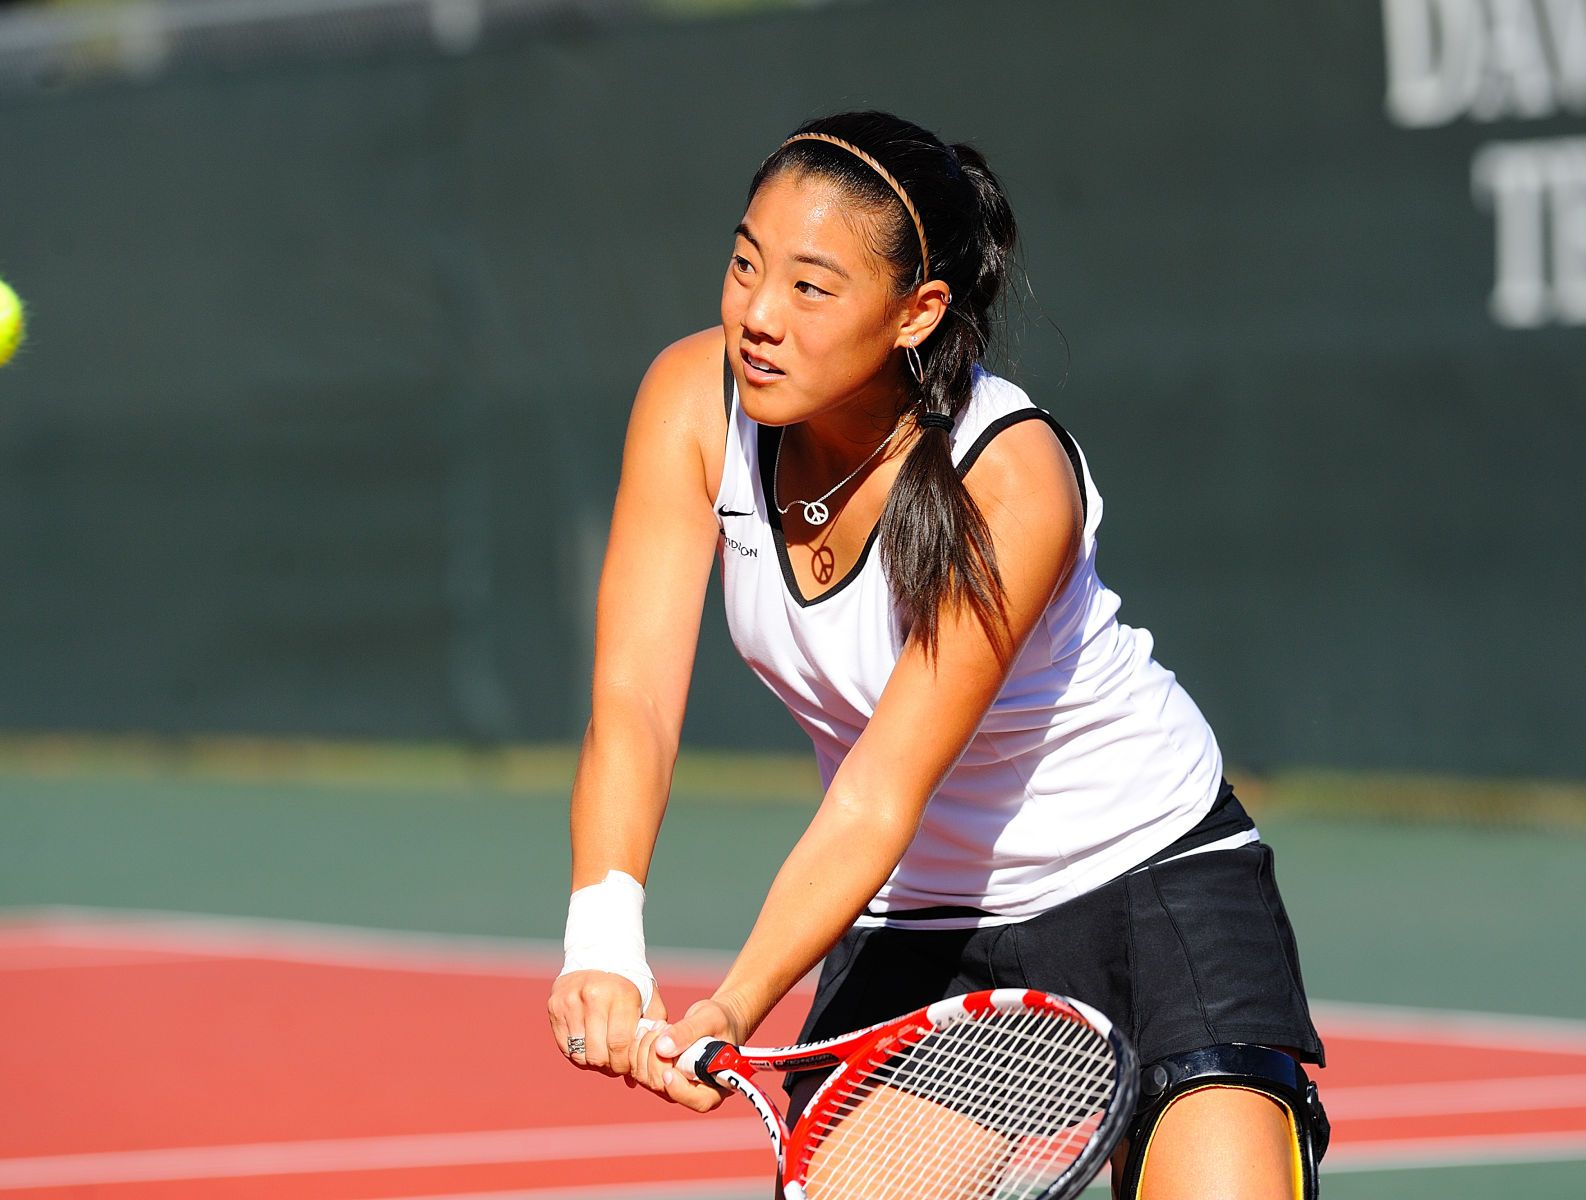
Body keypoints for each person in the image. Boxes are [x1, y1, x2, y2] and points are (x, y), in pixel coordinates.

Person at [547, 110, 1329, 1199]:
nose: (759, 315)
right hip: (917, 930)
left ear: (915, 313)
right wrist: (601, 935)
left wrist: (732, 1003)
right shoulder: (692, 402)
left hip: (1147, 884)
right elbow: (633, 700)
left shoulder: (1010, 479)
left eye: (812, 288)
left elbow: (880, 792)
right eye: (745, 265)